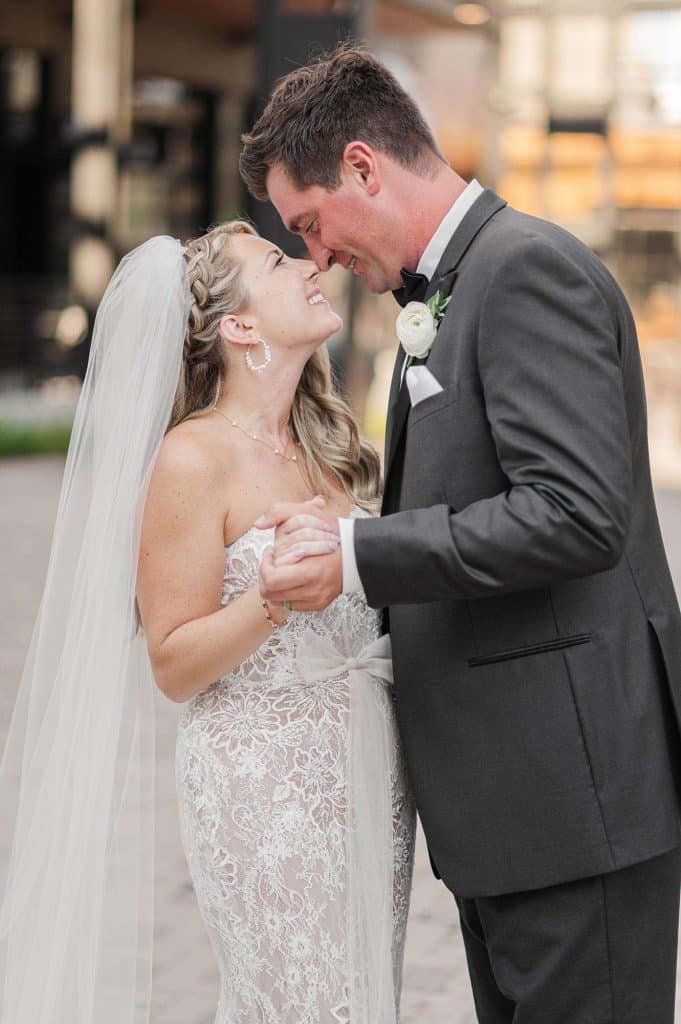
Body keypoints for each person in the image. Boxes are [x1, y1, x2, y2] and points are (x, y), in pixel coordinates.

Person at [241, 44, 681, 1023]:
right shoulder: (454, 285)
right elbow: (485, 497)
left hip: (574, 806)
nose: (317, 257)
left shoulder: (523, 271)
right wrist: (358, 529)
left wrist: (358, 556)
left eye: (309, 224)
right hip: (515, 812)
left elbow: (575, 513)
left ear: (362, 166)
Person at [0, 221, 415, 1024]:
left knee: (365, 996)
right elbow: (173, 663)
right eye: (277, 261)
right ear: (239, 327)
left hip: (367, 771)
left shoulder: (325, 444)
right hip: (260, 783)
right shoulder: (191, 459)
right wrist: (269, 599)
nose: (308, 267)